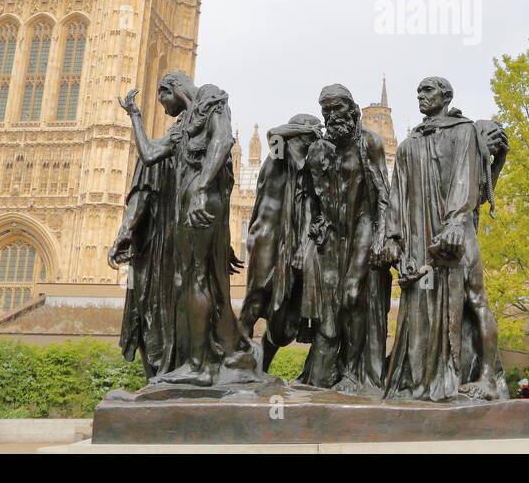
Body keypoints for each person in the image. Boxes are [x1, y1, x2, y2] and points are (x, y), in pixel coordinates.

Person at [108, 72, 259, 386]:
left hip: (199, 201)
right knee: (200, 282)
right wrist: (135, 116)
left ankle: (199, 366)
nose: (163, 108)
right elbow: (149, 154)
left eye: (162, 99)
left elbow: (223, 140)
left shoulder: (211, 98)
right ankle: (219, 354)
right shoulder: (182, 127)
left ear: (170, 88)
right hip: (195, 204)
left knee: (190, 279)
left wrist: (201, 189)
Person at [383, 76, 510, 402]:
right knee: (420, 305)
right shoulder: (409, 145)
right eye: (418, 92)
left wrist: (454, 222)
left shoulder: (463, 131)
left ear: (447, 96)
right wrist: (392, 238)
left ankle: (488, 379)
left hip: (457, 232)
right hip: (420, 239)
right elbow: (396, 196)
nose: (421, 96)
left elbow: (466, 180)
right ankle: (423, 379)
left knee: (475, 300)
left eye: (427, 91)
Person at [294, 84, 394, 393]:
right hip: (330, 238)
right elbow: (308, 199)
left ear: (351, 110)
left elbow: (382, 196)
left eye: (337, 108)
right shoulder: (317, 151)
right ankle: (326, 371)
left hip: (362, 230)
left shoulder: (369, 143)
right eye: (326, 110)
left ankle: (354, 372)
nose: (331, 115)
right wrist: (304, 240)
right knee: (329, 309)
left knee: (353, 295)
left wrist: (381, 238)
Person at [238, 114, 324, 372]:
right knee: (257, 295)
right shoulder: (277, 157)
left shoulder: (304, 173)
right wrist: (308, 128)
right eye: (308, 140)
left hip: (291, 242)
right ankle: (236, 364)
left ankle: (261, 367)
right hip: (267, 235)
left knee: (284, 306)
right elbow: (274, 133)